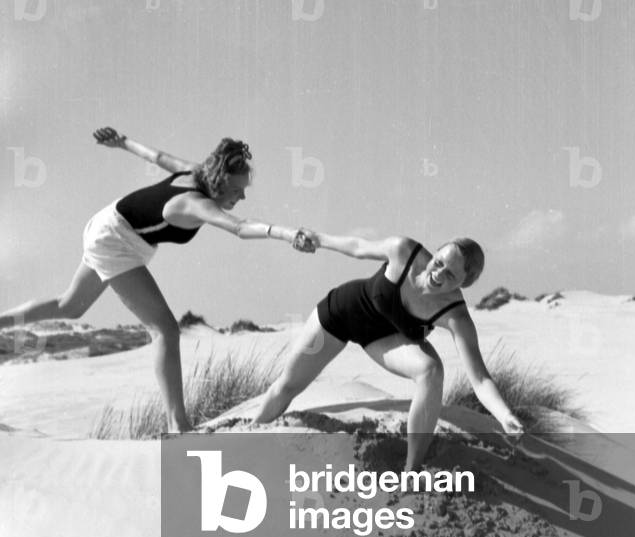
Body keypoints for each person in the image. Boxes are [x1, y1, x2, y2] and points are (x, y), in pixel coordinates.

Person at [0, 127, 315, 433]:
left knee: (69, 306)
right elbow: (241, 227)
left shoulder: (196, 173)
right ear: (219, 183)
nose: (242, 196)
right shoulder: (194, 202)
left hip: (110, 224)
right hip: (115, 239)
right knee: (165, 330)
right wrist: (288, 234)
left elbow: (159, 157)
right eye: (237, 190)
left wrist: (123, 143)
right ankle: (177, 425)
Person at [253, 230, 524, 469]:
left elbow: (479, 378)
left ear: (465, 283)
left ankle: (411, 469)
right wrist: (319, 239)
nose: (438, 273)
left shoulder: (455, 315)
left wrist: (503, 415)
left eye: (450, 274)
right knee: (287, 386)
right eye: (438, 262)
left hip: (381, 339)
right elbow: (357, 247)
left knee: (430, 371)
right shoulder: (404, 250)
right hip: (338, 315)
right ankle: (248, 437)